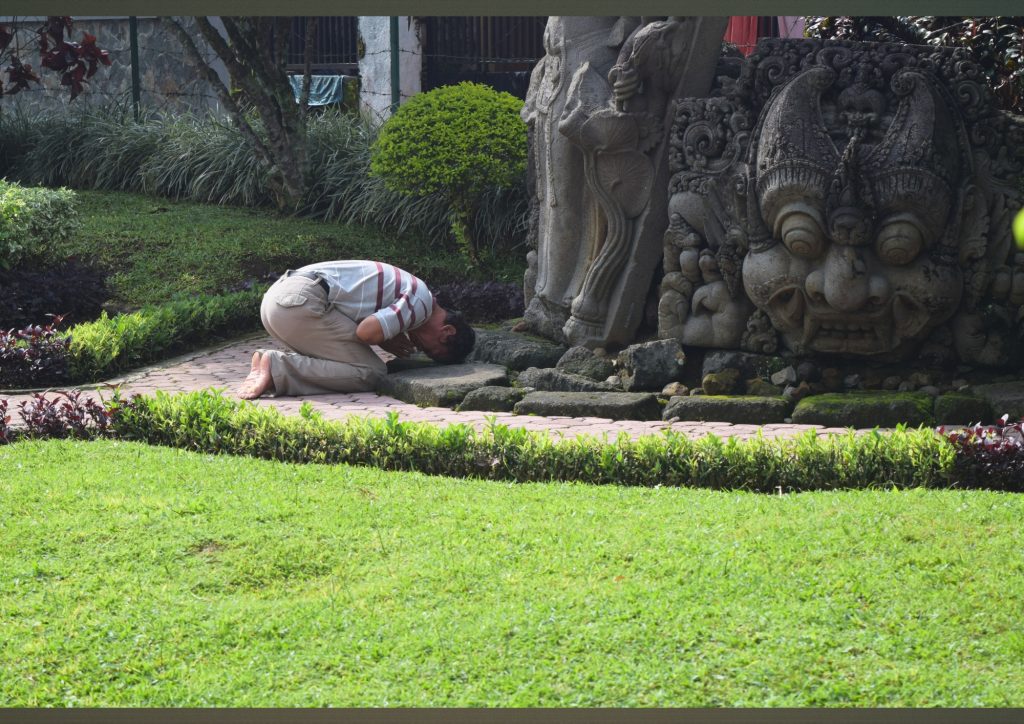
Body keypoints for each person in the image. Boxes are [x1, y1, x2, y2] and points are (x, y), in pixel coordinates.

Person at [237, 260, 475, 399]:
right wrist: (387, 337)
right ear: (447, 332)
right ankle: (276, 366)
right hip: (300, 303)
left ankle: (268, 364)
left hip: (277, 300)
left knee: (343, 362)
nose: (420, 349)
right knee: (372, 371)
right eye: (432, 351)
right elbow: (366, 332)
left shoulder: (416, 291)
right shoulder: (420, 305)